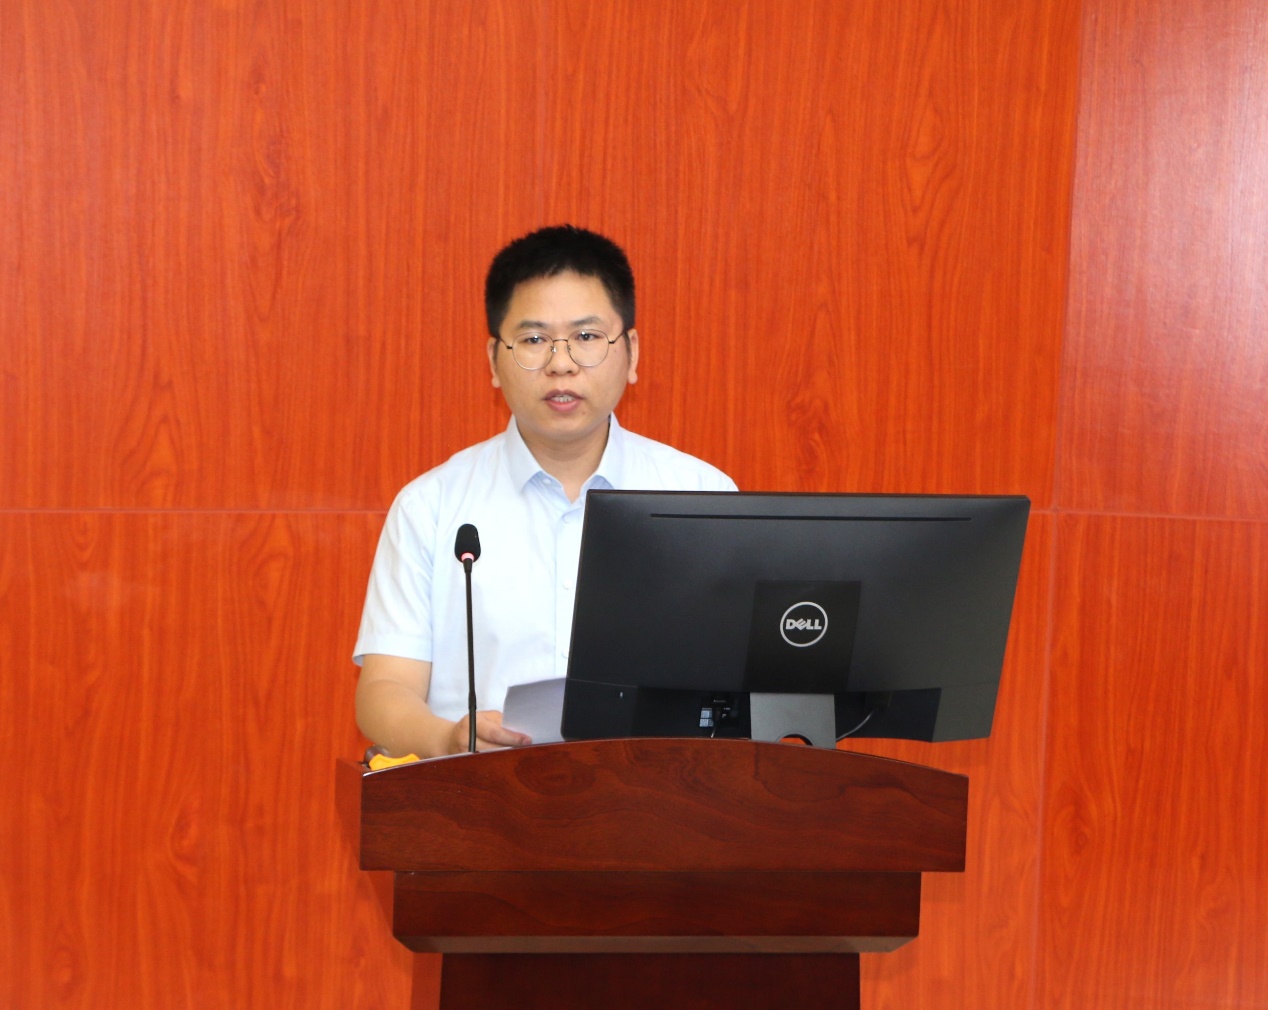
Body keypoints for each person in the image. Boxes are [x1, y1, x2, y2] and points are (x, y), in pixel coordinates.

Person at [353, 225, 736, 757]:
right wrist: (451, 739)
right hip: (477, 794)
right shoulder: (431, 507)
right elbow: (384, 691)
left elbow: (734, 690)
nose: (561, 363)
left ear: (631, 353)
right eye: (533, 340)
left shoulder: (703, 497)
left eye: (587, 337)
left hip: (651, 796)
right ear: (494, 360)